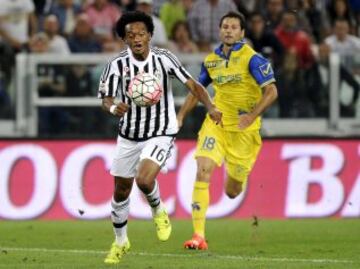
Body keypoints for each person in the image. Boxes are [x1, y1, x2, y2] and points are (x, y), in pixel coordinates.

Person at [98, 11, 222, 264]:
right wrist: (113, 108)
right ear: (124, 39)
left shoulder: (164, 59)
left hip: (161, 131)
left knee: (144, 180)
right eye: (130, 35)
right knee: (121, 191)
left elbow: (193, 84)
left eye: (141, 33)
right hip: (129, 135)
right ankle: (120, 242)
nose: (136, 38)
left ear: (150, 35)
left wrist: (209, 106)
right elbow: (106, 98)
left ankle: (157, 207)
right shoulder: (116, 65)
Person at [177, 11, 278, 250]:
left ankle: (234, 173)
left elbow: (272, 91)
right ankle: (198, 236)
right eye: (225, 26)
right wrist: (180, 116)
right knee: (202, 170)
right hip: (217, 124)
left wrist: (252, 116)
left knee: (233, 191)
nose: (229, 30)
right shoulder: (211, 60)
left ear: (242, 33)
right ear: (220, 30)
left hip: (244, 132)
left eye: (234, 27)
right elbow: (198, 90)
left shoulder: (253, 59)